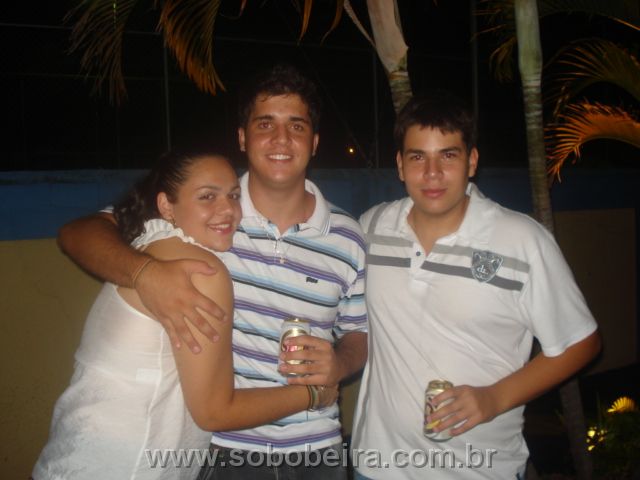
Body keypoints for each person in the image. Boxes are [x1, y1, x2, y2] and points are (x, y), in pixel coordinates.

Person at [57, 64, 368, 479]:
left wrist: (340, 364)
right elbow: (78, 233)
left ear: (313, 142)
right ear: (242, 137)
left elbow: (358, 333)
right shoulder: (206, 217)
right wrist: (145, 273)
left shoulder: (348, 236)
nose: (281, 139)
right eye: (265, 124)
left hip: (317, 449)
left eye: (296, 126)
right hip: (226, 450)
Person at [33, 151, 338, 480]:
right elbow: (214, 412)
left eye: (233, 196)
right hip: (128, 466)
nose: (228, 210)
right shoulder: (201, 271)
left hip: (70, 459)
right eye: (207, 196)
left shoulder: (144, 240)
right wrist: (314, 394)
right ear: (166, 206)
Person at [349, 91, 601, 479]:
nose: (432, 173)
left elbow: (580, 342)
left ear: (472, 161)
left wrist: (494, 398)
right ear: (400, 165)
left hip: (479, 469)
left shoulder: (520, 240)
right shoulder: (373, 228)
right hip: (377, 467)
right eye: (417, 157)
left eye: (448, 155)